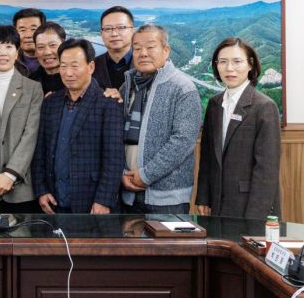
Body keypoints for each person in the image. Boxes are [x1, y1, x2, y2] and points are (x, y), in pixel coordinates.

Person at [31, 38, 124, 214]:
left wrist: (103, 200)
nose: (68, 73)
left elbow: (114, 158)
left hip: (91, 201)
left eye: (75, 66)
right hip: (54, 200)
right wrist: (41, 190)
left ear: (91, 67)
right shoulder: (51, 102)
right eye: (63, 66)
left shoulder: (108, 103)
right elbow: (40, 150)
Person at [119, 24, 202, 214]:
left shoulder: (183, 88)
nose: (143, 53)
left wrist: (146, 175)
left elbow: (182, 141)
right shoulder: (128, 86)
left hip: (167, 198)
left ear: (166, 50)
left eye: (150, 47)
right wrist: (121, 174)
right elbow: (116, 135)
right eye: (137, 48)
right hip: (128, 193)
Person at [196, 38, 281, 219]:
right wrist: (203, 197)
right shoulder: (214, 104)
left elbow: (266, 170)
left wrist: (255, 219)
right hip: (216, 203)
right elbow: (207, 156)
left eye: (237, 61)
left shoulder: (264, 106)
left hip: (250, 206)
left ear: (250, 64)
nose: (229, 68)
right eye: (223, 62)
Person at [0, 25, 42, 214]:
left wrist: (11, 174)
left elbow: (31, 134)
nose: (3, 53)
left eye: (9, 47)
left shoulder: (33, 88)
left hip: (21, 186)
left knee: (22, 231)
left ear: (17, 52)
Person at [94, 6, 134, 90]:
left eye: (121, 27)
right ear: (101, 33)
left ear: (132, 31)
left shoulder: (147, 63)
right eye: (108, 29)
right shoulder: (92, 66)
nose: (114, 34)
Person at [29, 22, 66, 95]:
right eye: (41, 47)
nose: (47, 52)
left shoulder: (76, 78)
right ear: (35, 51)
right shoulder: (30, 81)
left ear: (64, 46)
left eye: (52, 45)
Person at [12, 8, 45, 74]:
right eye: (22, 30)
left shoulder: (58, 60)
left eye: (33, 29)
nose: (28, 35)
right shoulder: (9, 61)